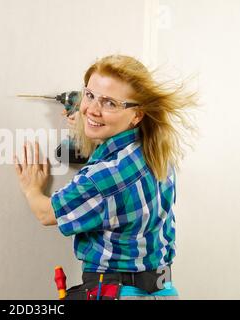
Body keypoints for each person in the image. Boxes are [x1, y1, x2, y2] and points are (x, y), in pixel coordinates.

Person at [13, 55, 198, 300]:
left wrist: (32, 189)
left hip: (119, 293)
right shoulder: (155, 149)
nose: (91, 108)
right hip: (161, 290)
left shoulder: (104, 178)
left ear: (136, 115)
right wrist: (94, 123)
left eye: (110, 103)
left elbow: (46, 213)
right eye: (89, 95)